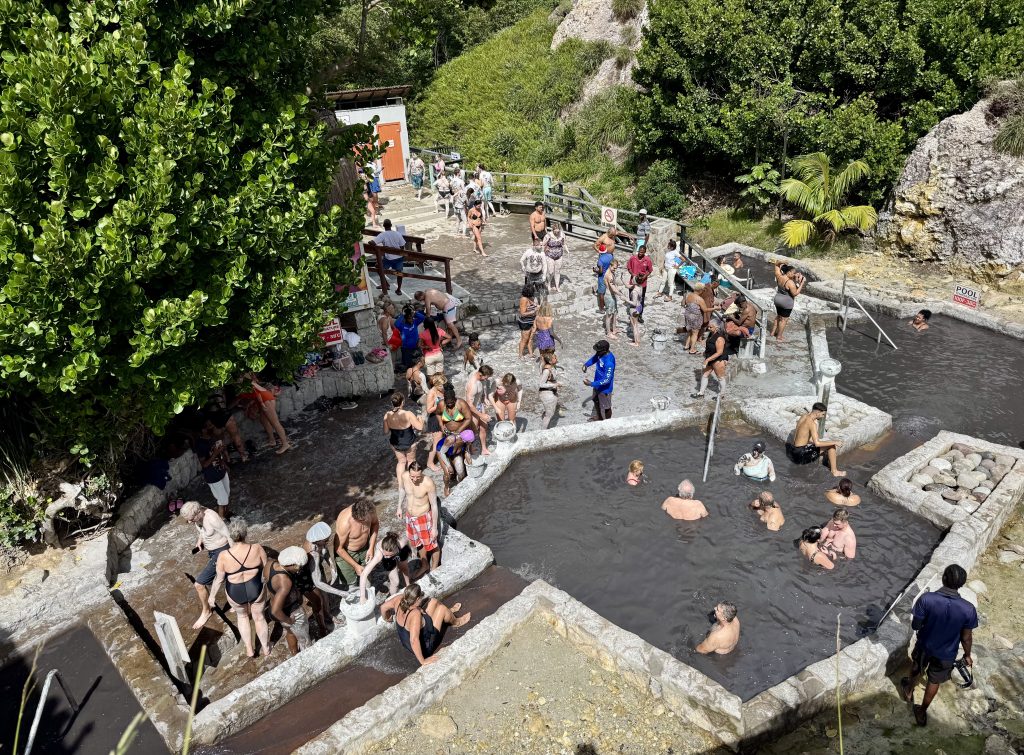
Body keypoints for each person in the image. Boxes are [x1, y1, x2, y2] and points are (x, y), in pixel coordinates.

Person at [901, 564, 978, 726]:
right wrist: (967, 655)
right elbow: (966, 638)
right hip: (946, 653)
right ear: (962, 584)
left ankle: (908, 691)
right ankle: (921, 712)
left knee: (916, 666)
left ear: (943, 578)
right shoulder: (968, 609)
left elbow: (915, 626)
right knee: (934, 681)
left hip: (924, 645)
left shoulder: (926, 599)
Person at [208, 518, 270, 658]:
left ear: (230, 535)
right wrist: (267, 584)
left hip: (235, 591)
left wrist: (211, 597)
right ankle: (266, 648)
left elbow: (219, 579)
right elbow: (266, 568)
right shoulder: (257, 548)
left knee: (242, 616)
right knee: (259, 617)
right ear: (245, 533)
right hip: (255, 586)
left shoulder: (223, 556)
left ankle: (249, 649)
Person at [381, 584, 471, 665]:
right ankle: (457, 622)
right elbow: (414, 640)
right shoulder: (415, 614)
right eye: (420, 597)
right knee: (442, 609)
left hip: (406, 641)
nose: (421, 599)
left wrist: (387, 618)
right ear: (416, 599)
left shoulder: (399, 599)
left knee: (433, 601)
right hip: (424, 647)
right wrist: (423, 661)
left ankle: (449, 612)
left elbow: (383, 607)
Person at [182, 501, 233, 630]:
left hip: (221, 551)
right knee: (227, 576)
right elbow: (202, 530)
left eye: (191, 519)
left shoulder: (212, 518)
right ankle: (236, 601)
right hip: (212, 551)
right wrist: (200, 540)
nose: (189, 522)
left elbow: (229, 535)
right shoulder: (199, 516)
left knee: (199, 584)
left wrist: (236, 555)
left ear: (199, 513)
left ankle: (206, 612)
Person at [266, 546, 312, 655]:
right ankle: (308, 657)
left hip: (275, 605)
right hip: (289, 611)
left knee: (290, 632)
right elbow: (276, 611)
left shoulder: (270, 564)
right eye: (298, 567)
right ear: (290, 564)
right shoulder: (285, 581)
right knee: (304, 639)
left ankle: (295, 654)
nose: (299, 569)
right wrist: (289, 620)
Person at [398, 462, 441, 576]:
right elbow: (402, 490)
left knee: (432, 544)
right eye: (412, 476)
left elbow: (434, 505)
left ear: (422, 473)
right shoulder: (404, 476)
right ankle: (425, 564)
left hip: (423, 518)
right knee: (417, 543)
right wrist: (399, 507)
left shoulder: (428, 483)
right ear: (409, 472)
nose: (415, 479)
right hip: (410, 516)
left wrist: (434, 528)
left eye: (418, 476)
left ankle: (434, 568)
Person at [302, 521, 350, 624]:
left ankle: (328, 614)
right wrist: (341, 593)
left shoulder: (320, 541)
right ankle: (322, 624)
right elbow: (317, 582)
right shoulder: (313, 552)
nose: (328, 541)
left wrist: (332, 568)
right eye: (326, 540)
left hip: (318, 566)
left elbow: (325, 552)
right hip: (308, 575)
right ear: (318, 540)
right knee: (319, 600)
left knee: (325, 595)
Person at [786, 402, 845, 476]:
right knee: (831, 446)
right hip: (801, 456)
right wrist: (834, 442)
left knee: (824, 443)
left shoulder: (803, 416)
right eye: (823, 414)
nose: (823, 416)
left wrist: (814, 442)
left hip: (793, 451)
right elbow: (817, 443)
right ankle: (834, 471)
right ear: (817, 413)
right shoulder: (812, 424)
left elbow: (802, 437)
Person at [334, 500, 379, 592]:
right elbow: (338, 548)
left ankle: (367, 596)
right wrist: (355, 566)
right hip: (346, 552)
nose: (365, 523)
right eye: (362, 521)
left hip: (365, 547)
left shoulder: (369, 511)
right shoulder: (344, 522)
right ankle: (355, 601)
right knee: (351, 584)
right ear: (357, 517)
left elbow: (375, 524)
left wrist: (371, 548)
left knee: (367, 573)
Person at [437, 384, 474, 494]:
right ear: (444, 399)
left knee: (461, 473)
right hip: (443, 449)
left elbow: (468, 419)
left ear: (455, 398)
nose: (450, 404)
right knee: (448, 474)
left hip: (458, 434)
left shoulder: (461, 404)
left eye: (452, 402)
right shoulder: (441, 404)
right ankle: (446, 487)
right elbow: (438, 414)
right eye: (447, 402)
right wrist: (441, 424)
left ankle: (460, 483)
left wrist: (459, 431)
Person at [246, 374, 292, 454]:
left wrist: (262, 404)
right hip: (263, 397)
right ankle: (272, 440)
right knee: (263, 420)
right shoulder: (248, 380)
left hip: (264, 398)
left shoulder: (248, 381)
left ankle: (285, 444)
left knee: (274, 422)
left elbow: (257, 392)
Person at [358, 530, 410, 601]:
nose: (387, 557)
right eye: (386, 555)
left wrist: (410, 550)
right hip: (388, 555)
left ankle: (408, 585)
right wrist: (362, 596)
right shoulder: (379, 554)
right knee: (395, 581)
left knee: (404, 568)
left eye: (390, 555)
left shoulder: (401, 543)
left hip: (400, 551)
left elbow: (409, 536)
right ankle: (393, 599)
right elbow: (364, 574)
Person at [195, 419, 232, 518]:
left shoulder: (213, 438)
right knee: (222, 499)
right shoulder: (200, 445)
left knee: (226, 495)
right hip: (212, 476)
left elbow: (219, 454)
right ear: (203, 429)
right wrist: (215, 453)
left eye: (212, 424)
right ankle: (221, 521)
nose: (212, 426)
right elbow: (205, 465)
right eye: (209, 425)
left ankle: (226, 513)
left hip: (221, 470)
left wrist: (224, 462)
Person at [384, 392, 423, 482]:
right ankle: (410, 481)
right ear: (402, 402)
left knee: (401, 462)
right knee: (411, 461)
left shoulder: (387, 415)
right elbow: (420, 427)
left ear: (392, 403)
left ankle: (401, 484)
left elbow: (386, 431)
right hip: (409, 442)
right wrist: (420, 418)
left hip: (395, 443)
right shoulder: (408, 414)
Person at [691, 319, 728, 398]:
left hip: (718, 359)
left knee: (720, 377)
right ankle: (701, 393)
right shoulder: (712, 334)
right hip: (710, 357)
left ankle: (722, 394)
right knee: (704, 374)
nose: (709, 328)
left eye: (711, 327)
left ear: (717, 327)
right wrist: (705, 353)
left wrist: (707, 360)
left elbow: (719, 352)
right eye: (708, 327)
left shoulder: (720, 338)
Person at [771, 261, 805, 341]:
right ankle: (779, 336)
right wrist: (802, 283)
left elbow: (776, 264)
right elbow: (795, 293)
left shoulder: (779, 276)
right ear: (789, 272)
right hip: (786, 302)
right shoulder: (790, 283)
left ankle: (773, 332)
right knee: (784, 320)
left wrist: (782, 262)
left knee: (779, 316)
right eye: (793, 273)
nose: (794, 274)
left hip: (777, 299)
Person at [464, 363, 494, 455]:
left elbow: (481, 391)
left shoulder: (479, 377)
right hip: (472, 410)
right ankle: (469, 450)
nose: (486, 379)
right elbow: (469, 404)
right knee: (473, 432)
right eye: (486, 377)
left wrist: (484, 399)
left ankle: (484, 449)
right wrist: (481, 415)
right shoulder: (473, 385)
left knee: (483, 428)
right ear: (480, 374)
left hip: (479, 406)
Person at [583, 340, 615, 421]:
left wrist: (591, 384)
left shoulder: (609, 362)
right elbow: (595, 358)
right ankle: (599, 418)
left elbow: (607, 380)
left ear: (604, 350)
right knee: (595, 400)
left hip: (605, 389)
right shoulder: (600, 353)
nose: (597, 352)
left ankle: (608, 422)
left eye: (598, 350)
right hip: (597, 384)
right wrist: (586, 364)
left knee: (606, 407)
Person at [374, 218, 407, 295]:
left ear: (384, 226)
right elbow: (402, 246)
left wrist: (380, 250)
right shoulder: (397, 234)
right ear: (391, 225)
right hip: (398, 258)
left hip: (388, 259)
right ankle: (398, 289)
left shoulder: (382, 235)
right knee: (399, 273)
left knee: (378, 267)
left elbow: (372, 242)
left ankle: (385, 284)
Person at [679, 283, 711, 354]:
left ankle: (686, 346)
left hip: (687, 315)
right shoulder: (699, 299)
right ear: (700, 290)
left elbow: (682, 304)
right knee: (695, 333)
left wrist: (684, 297)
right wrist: (714, 308)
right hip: (695, 317)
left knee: (690, 331)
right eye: (703, 290)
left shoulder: (688, 295)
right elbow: (705, 310)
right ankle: (692, 349)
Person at [627, 244, 654, 317]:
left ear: (644, 252)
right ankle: (632, 313)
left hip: (642, 284)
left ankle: (639, 314)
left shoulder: (647, 260)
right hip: (633, 282)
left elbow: (650, 270)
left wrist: (644, 276)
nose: (640, 253)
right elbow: (629, 267)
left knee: (641, 299)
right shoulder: (633, 258)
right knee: (632, 297)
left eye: (642, 252)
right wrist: (633, 274)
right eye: (639, 251)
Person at [540, 221, 568, 292]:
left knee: (557, 271)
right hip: (550, 255)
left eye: (558, 230)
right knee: (551, 272)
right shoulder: (548, 236)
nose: (557, 231)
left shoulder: (562, 235)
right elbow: (543, 244)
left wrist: (567, 250)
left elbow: (564, 244)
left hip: (559, 255)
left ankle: (557, 286)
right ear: (553, 229)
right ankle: (549, 284)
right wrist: (542, 253)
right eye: (555, 230)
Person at [538, 352, 561, 429]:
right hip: (547, 394)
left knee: (549, 412)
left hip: (551, 393)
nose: (556, 358)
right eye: (555, 358)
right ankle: (543, 432)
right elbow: (541, 384)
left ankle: (545, 425)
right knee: (549, 415)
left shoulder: (551, 366)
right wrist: (554, 385)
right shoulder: (547, 371)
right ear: (550, 361)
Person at [516, 283, 539, 358]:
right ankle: (520, 354)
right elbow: (522, 313)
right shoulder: (524, 299)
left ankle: (531, 353)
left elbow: (535, 306)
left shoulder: (532, 298)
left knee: (531, 338)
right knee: (524, 339)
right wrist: (534, 311)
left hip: (532, 321)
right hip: (525, 322)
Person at [602, 259, 623, 340]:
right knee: (609, 316)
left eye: (616, 268)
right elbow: (613, 289)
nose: (615, 269)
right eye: (614, 268)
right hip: (609, 296)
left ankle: (614, 329)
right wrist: (621, 295)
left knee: (614, 313)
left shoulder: (611, 272)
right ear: (610, 266)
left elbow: (615, 286)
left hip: (612, 296)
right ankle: (608, 333)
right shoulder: (609, 275)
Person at [594, 242, 615, 313]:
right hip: (609, 275)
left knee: (601, 293)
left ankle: (601, 309)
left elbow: (600, 271)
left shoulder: (600, 260)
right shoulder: (610, 256)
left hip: (602, 277)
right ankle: (610, 305)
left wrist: (595, 271)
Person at [467, 190, 485, 255]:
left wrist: (483, 221)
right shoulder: (471, 210)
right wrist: (469, 223)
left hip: (479, 225)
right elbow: (468, 217)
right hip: (474, 226)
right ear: (475, 205)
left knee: (476, 238)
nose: (479, 207)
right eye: (478, 206)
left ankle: (474, 249)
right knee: (479, 238)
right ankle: (483, 252)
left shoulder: (479, 209)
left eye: (480, 206)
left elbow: (481, 216)